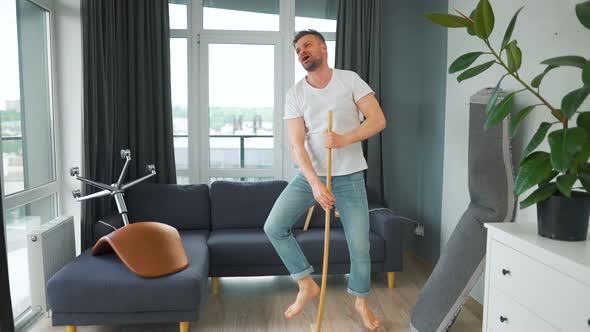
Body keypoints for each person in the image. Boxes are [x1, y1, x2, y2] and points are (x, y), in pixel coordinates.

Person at [263, 29, 386, 331]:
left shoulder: (350, 80)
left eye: (306, 45)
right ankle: (306, 283)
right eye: (297, 49)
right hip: (310, 178)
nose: (301, 51)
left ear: (323, 48)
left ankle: (360, 300)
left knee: (360, 245)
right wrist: (316, 185)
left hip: (350, 176)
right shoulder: (296, 94)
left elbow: (378, 120)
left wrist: (344, 140)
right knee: (274, 227)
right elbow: (296, 145)